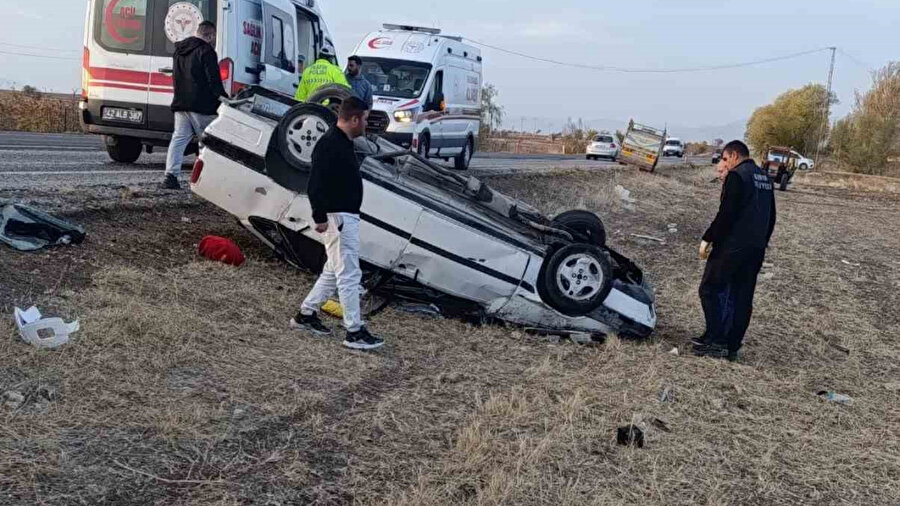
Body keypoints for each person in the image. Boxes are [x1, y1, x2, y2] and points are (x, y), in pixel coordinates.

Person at [289, 96, 384, 350]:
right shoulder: (331, 144)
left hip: (342, 216)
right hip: (338, 218)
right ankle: (354, 331)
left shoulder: (341, 142)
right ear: (354, 119)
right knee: (349, 274)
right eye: (364, 118)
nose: (366, 123)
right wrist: (319, 216)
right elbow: (315, 183)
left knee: (333, 272)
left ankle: (306, 314)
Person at [694, 140, 776, 361]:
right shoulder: (764, 178)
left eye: (724, 159)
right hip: (756, 248)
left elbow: (727, 213)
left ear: (733, 156)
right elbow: (771, 217)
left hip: (733, 246)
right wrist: (762, 242)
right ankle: (731, 345)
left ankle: (716, 340)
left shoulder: (737, 175)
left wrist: (709, 237)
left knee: (710, 289)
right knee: (741, 296)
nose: (724, 164)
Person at [162, 21, 227, 190]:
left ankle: (170, 176)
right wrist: (224, 99)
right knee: (208, 142)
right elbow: (213, 80)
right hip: (202, 106)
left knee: (178, 139)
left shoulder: (179, 51)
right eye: (213, 37)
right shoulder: (207, 51)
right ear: (211, 35)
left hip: (181, 103)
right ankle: (206, 181)